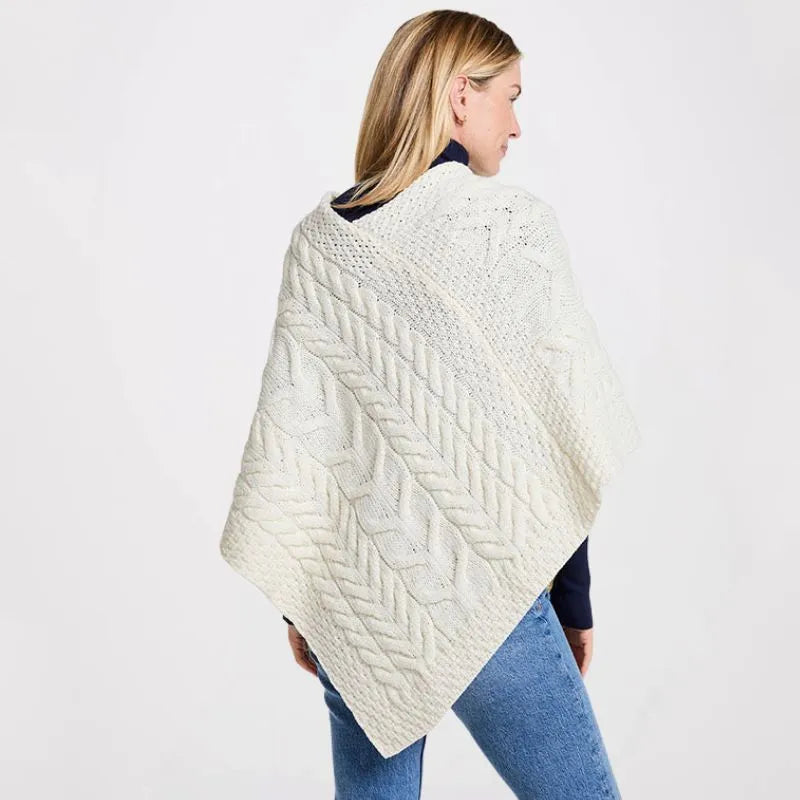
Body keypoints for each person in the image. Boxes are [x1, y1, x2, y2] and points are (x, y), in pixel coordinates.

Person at [220, 9, 640, 798]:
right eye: (510, 97)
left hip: (357, 605)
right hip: (493, 598)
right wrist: (573, 599)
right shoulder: (508, 228)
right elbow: (559, 429)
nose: (516, 125)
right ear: (459, 96)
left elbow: (307, 442)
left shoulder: (321, 244)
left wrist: (309, 606)